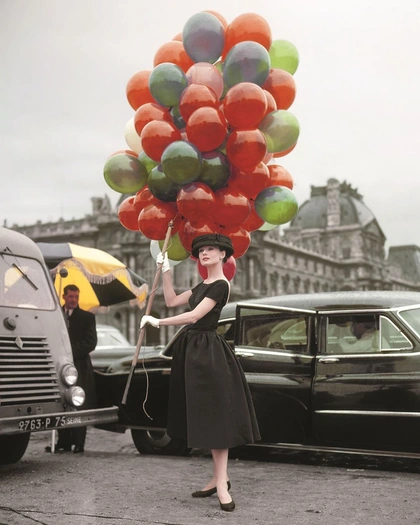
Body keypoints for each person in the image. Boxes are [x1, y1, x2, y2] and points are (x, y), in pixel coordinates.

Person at [140, 234, 260, 513]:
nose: (204, 253)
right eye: (201, 250)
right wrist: (166, 269)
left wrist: (157, 321)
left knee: (216, 416)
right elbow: (170, 300)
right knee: (203, 415)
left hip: (208, 353)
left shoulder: (221, 285)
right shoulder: (201, 285)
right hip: (192, 352)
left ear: (223, 255)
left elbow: (194, 316)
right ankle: (219, 478)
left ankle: (221, 484)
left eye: (210, 250)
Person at [45, 284, 97, 453]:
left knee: (78, 402)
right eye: (70, 297)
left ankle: (79, 442)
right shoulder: (55, 316)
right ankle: (63, 441)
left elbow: (91, 342)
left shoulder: (87, 317)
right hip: (59, 367)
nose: (73, 300)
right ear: (64, 296)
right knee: (61, 401)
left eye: (76, 297)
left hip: (80, 367)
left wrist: (68, 351)